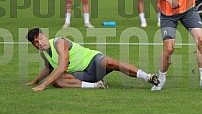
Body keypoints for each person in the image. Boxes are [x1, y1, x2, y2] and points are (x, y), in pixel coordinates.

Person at [25, 28, 159, 91]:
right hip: (82, 74)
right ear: (33, 44)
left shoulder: (59, 43)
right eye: (36, 42)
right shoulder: (44, 54)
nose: (40, 43)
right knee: (57, 81)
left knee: (110, 62)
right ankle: (96, 85)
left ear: (45, 35)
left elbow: (62, 68)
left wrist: (44, 84)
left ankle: (148, 77)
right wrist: (35, 81)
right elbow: (48, 68)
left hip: (92, 61)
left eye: (41, 38)